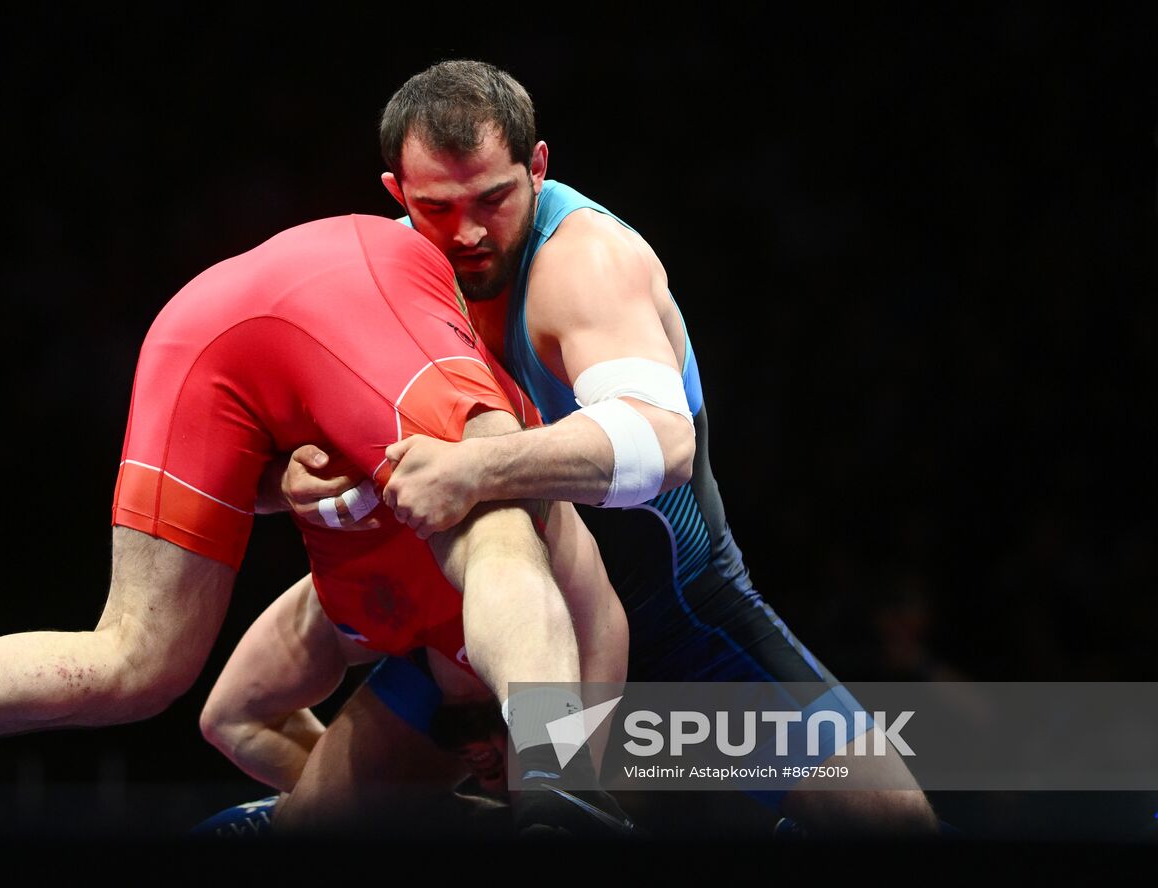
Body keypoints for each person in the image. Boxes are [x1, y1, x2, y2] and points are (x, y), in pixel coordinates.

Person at [266, 60, 938, 837]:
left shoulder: (583, 264)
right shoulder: (380, 277)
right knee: (305, 830)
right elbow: (299, 449)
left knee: (896, 831)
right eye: (437, 209)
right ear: (396, 195)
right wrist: (297, 473)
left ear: (538, 166)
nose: (470, 233)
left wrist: (475, 465)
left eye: (495, 198)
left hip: (680, 624)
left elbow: (663, 440)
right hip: (498, 629)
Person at [0, 214, 627, 836]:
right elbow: (572, 608)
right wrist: (562, 793)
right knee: (506, 522)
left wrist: (419, 815)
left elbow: (229, 719)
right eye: (486, 734)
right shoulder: (560, 609)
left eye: (466, 742)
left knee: (135, 657)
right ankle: (564, 798)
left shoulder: (348, 624)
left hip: (202, 329)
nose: (480, 754)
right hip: (360, 285)